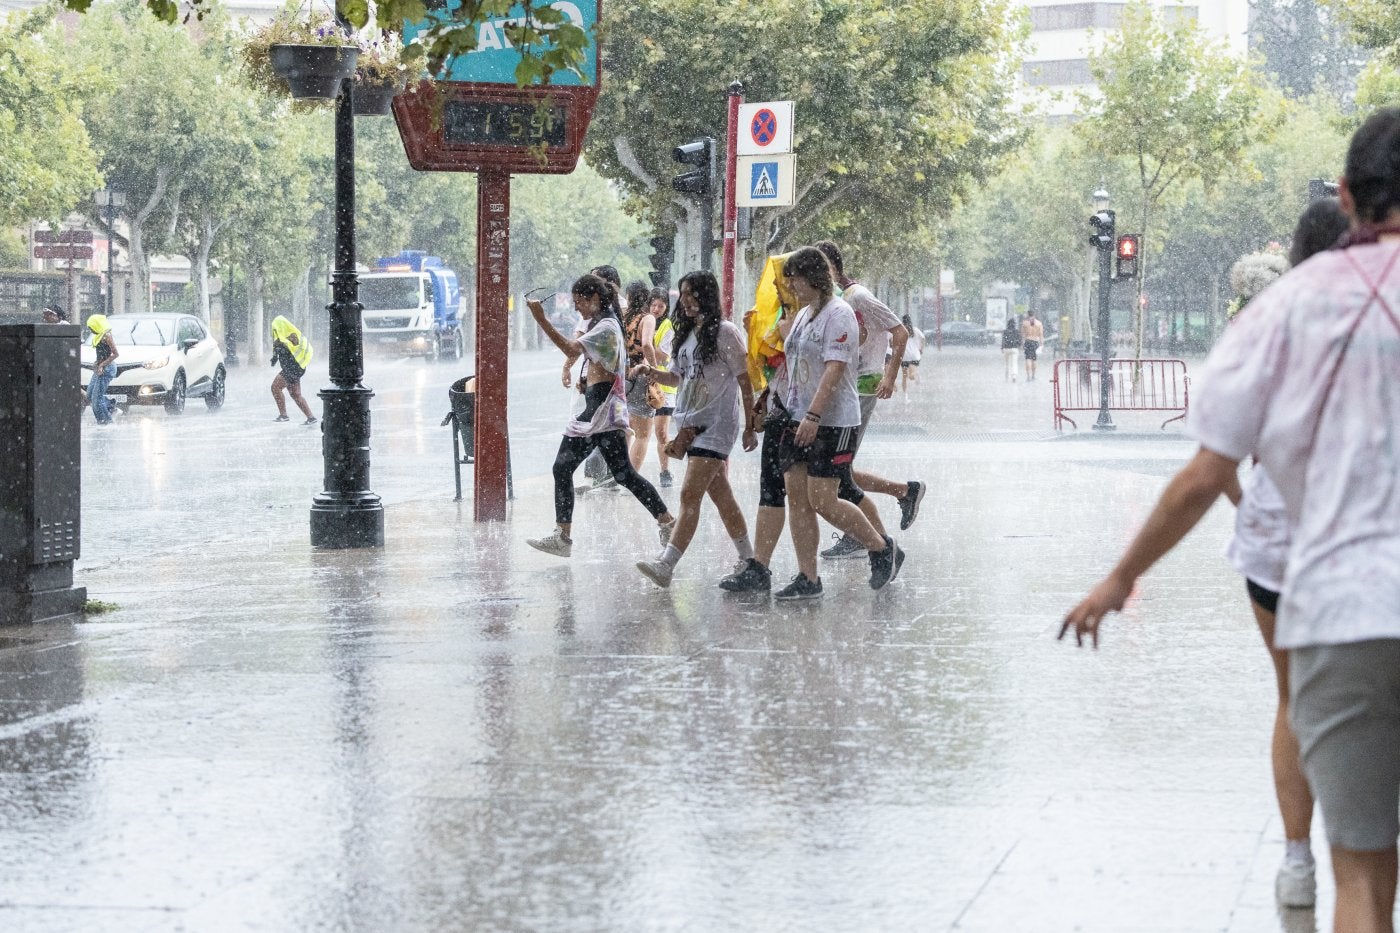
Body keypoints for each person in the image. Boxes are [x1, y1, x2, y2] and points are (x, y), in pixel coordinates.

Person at [1061, 108, 1400, 933]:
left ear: (1348, 194)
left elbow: (1206, 471)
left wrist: (1119, 577)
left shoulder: (1285, 308)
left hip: (1338, 611)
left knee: (1357, 870)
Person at [1222, 196, 1350, 909]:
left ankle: (1298, 859)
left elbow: (1217, 461)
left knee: (1293, 696)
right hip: (1361, 537)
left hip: (1275, 539)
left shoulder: (1266, 325)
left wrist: (1258, 511)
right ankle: (1365, 840)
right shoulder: (1377, 315)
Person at [777, 246, 904, 600]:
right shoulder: (804, 315)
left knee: (824, 499)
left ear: (815, 277)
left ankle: (880, 547)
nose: (792, 287)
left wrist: (814, 416)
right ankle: (808, 577)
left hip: (832, 420)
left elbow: (833, 369)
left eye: (796, 280)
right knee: (798, 499)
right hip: (797, 415)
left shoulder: (840, 313)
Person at [526, 274, 676, 558]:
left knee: (596, 472)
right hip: (600, 408)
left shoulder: (606, 326)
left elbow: (571, 349)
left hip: (601, 410)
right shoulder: (604, 323)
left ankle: (563, 536)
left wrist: (541, 319)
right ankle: (666, 520)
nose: (577, 308)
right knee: (621, 474)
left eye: (579, 302)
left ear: (594, 298)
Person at [633, 271, 757, 588]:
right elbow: (676, 378)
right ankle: (750, 560)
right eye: (683, 293)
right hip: (689, 424)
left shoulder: (726, 332)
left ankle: (667, 564)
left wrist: (751, 426)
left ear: (706, 295)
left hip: (717, 424)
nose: (686, 300)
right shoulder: (686, 334)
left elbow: (745, 380)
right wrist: (651, 371)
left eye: (691, 293)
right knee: (721, 494)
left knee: (689, 494)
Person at [812, 241, 925, 562]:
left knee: (837, 469)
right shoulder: (834, 299)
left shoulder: (858, 296)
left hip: (861, 387)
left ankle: (874, 537)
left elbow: (900, 332)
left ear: (832, 268)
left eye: (818, 269)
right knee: (837, 469)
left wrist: (890, 376)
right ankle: (901, 496)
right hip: (843, 387)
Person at [621, 281, 661, 470]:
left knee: (626, 428)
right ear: (646, 298)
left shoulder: (623, 317)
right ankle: (631, 476)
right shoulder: (647, 318)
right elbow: (646, 344)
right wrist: (654, 370)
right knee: (643, 434)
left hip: (622, 376)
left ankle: (618, 472)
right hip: (640, 374)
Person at [649, 288, 678, 488]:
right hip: (645, 386)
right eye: (653, 305)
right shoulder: (645, 322)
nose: (656, 309)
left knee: (661, 433)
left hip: (663, 389)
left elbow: (660, 355)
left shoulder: (668, 326)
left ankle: (665, 470)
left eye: (661, 306)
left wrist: (643, 349)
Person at [269, 315, 317, 425]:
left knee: (275, 387)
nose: (274, 330)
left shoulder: (292, 336)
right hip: (293, 369)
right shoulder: (280, 338)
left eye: (276, 328)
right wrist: (274, 358)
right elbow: (278, 351)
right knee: (295, 394)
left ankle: (283, 415)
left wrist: (283, 343)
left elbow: (292, 346)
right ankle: (311, 417)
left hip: (293, 368)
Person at [85, 314, 119, 425]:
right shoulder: (98, 336)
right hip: (100, 367)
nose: (90, 330)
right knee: (89, 395)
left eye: (91, 327)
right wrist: (97, 363)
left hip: (107, 368)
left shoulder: (106, 336)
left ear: (97, 325)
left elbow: (115, 354)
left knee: (96, 400)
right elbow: (101, 354)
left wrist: (102, 365)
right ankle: (111, 407)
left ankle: (105, 422)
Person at [899, 313, 925, 401]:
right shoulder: (914, 330)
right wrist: (921, 348)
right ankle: (905, 396)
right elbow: (923, 338)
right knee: (908, 376)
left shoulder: (903, 330)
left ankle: (905, 396)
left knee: (907, 376)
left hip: (908, 356)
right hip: (911, 356)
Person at [1020, 310, 1044, 381]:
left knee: (1028, 359)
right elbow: (1041, 335)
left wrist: (1022, 344)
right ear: (1034, 314)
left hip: (1028, 341)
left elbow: (1023, 334)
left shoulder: (1025, 323)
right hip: (1035, 342)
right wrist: (1042, 344)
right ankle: (1033, 375)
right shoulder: (1039, 323)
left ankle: (1028, 376)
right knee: (1034, 359)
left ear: (1028, 315)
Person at [1001, 316, 1020, 382]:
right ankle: (1014, 376)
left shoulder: (1005, 331)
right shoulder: (1017, 331)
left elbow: (1003, 340)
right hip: (1014, 349)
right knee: (1014, 363)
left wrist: (1002, 348)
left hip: (1006, 348)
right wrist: (1018, 346)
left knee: (1007, 363)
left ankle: (1007, 376)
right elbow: (1019, 340)